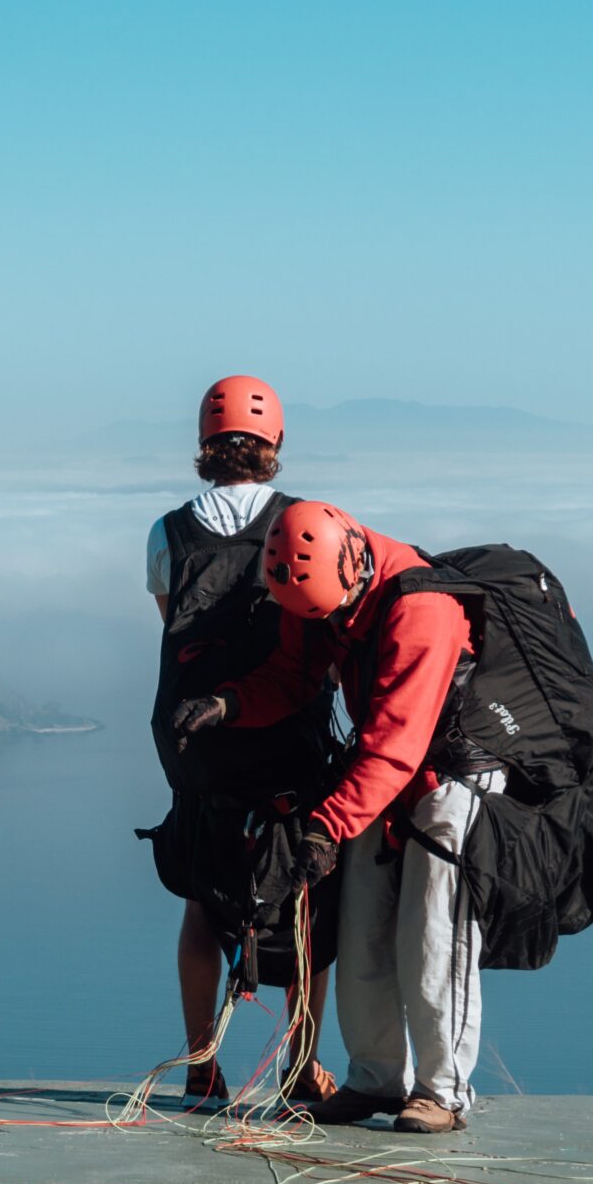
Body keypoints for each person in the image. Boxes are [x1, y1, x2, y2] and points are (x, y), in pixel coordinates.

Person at [172, 500, 499, 1133]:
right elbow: (293, 676)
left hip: (450, 775)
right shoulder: (320, 585)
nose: (320, 625)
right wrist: (227, 703)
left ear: (353, 568)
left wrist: (322, 831)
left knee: (433, 929)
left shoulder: (421, 611)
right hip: (382, 774)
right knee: (360, 926)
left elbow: (395, 747)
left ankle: (443, 1091)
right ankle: (375, 1079)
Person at [145, 376, 339, 1107]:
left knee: (203, 895)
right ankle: (301, 1069)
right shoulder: (308, 523)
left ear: (203, 446)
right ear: (276, 444)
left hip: (194, 741)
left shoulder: (168, 531)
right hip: (287, 736)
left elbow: (172, 625)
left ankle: (202, 1067)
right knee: (306, 902)